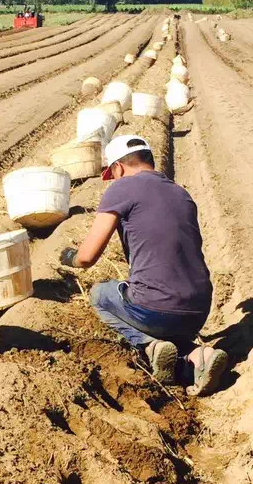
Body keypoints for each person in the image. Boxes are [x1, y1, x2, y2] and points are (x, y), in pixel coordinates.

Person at [59, 134, 228, 396]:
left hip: (156, 310)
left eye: (112, 174)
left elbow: (87, 257)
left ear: (119, 167)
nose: (113, 180)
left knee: (99, 295)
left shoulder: (121, 188)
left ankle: (149, 345)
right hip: (198, 310)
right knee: (167, 315)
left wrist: (70, 257)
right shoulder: (181, 193)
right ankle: (199, 354)